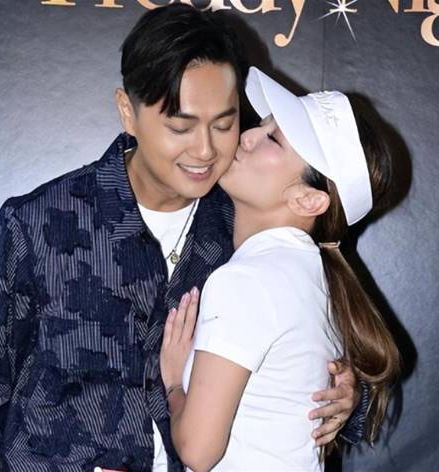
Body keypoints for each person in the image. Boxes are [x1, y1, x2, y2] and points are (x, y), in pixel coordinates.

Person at [0, 4, 365, 471]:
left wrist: (347, 395)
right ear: (128, 113)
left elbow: (312, 361)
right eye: (180, 126)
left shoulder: (254, 227)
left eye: (225, 124)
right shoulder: (36, 225)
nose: (206, 149)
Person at [159, 68, 400, 471]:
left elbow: (198, 452)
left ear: (309, 200)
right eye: (262, 126)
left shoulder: (248, 279)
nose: (246, 136)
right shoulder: (316, 278)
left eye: (271, 138)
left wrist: (173, 382)